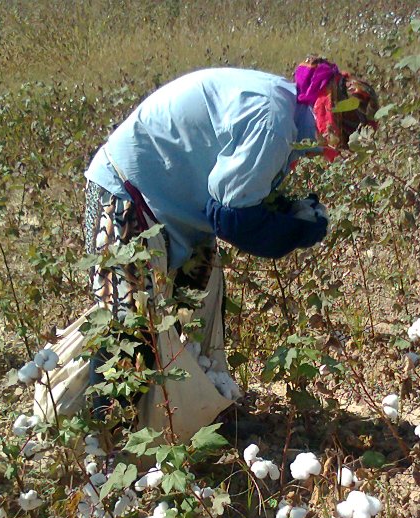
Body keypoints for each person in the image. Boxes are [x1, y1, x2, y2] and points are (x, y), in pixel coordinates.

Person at [81, 56, 378, 434]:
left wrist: (288, 210)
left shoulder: (285, 112)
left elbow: (239, 194)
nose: (339, 148)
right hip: (127, 192)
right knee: (129, 327)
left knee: (190, 303)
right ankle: (101, 441)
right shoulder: (275, 124)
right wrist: (295, 231)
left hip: (171, 205)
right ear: (330, 120)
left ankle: (177, 417)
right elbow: (232, 216)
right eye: (345, 135)